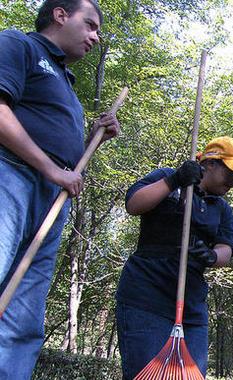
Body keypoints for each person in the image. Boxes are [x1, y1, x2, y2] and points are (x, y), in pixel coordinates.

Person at [0, 0, 121, 377]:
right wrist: (52, 169)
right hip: (10, 178)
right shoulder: (19, 45)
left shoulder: (66, 83)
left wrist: (94, 140)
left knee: (23, 317)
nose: (95, 37)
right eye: (90, 25)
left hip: (51, 200)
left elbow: (65, 158)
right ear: (60, 14)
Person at [115, 137, 233, 379]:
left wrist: (211, 256)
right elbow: (133, 204)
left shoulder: (222, 209)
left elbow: (227, 248)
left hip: (191, 306)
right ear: (210, 164)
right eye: (231, 172)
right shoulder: (170, 178)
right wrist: (174, 181)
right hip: (146, 297)